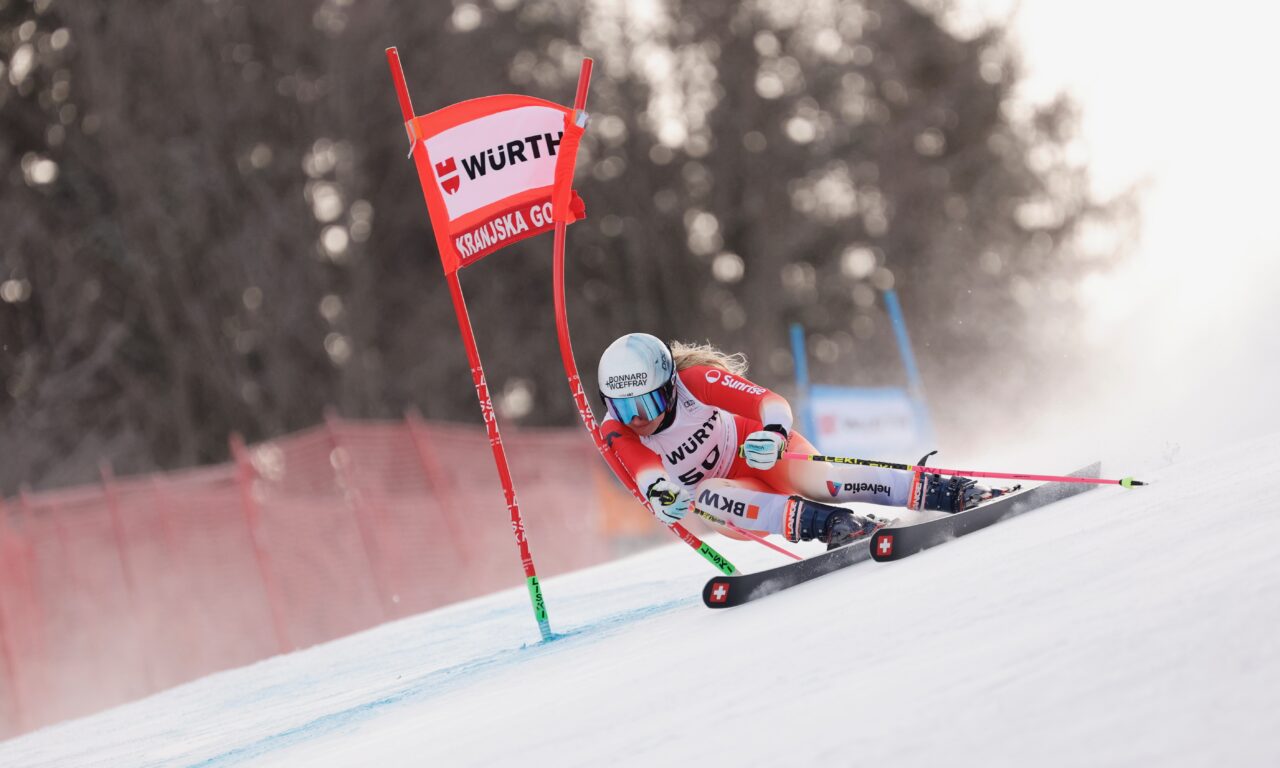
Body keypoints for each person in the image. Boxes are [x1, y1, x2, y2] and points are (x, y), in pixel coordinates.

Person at [597, 332, 1009, 550]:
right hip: (738, 502)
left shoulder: (694, 382)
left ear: (668, 388)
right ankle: (832, 525)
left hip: (764, 458)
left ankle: (944, 489)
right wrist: (663, 498)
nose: (638, 420)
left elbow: (770, 403)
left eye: (648, 404)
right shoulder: (616, 429)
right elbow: (646, 475)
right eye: (624, 407)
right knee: (708, 498)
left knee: (823, 482)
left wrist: (774, 434)